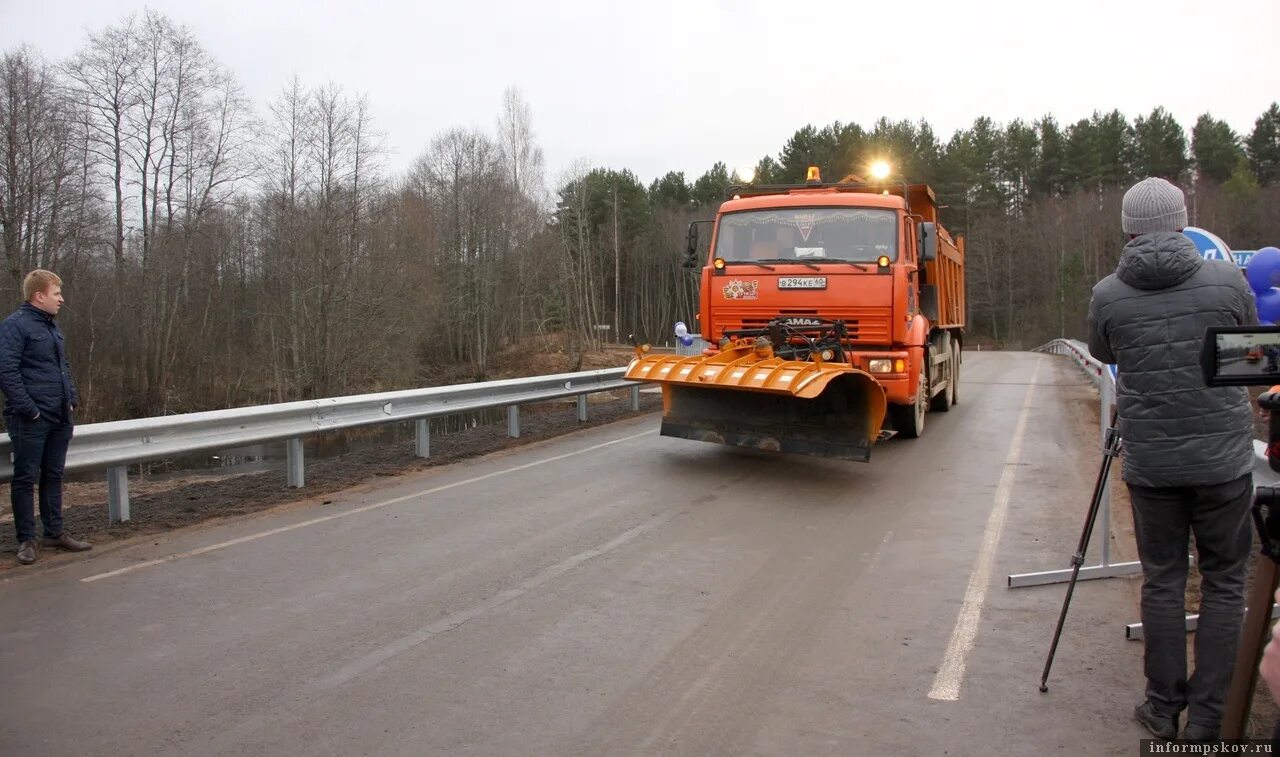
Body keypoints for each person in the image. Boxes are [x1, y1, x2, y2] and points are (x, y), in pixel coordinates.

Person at [1088, 177, 1257, 742]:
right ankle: (1209, 719)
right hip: (1225, 460)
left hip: (1153, 461)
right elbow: (1251, 343)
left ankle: (1162, 707)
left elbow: (1104, 352)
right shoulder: (1228, 278)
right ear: (1181, 222)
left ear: (1128, 229)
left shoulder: (1109, 293)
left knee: (1162, 581)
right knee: (1225, 584)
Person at [0, 270, 91, 565]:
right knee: (26, 478)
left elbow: (62, 366)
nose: (61, 299)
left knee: (53, 475)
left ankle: (54, 532)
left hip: (59, 415)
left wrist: (71, 399)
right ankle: (27, 539)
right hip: (31, 418)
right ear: (39, 296)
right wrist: (31, 410)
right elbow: (7, 372)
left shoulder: (52, 327)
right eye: (56, 294)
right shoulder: (15, 326)